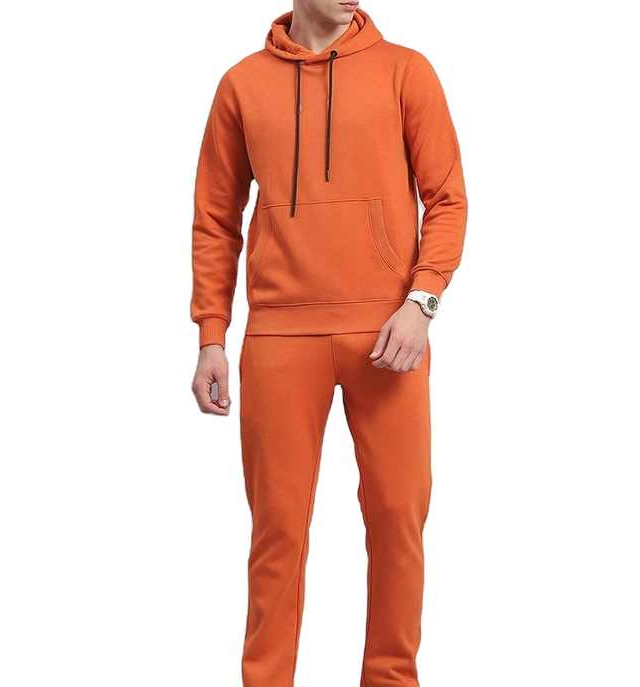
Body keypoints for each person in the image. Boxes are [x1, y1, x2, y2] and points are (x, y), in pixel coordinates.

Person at [190, 1, 467, 684]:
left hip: (390, 332)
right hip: (279, 335)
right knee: (278, 532)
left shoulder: (406, 72)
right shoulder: (241, 85)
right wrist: (211, 334)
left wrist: (422, 302)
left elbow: (448, 199)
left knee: (398, 519)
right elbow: (216, 218)